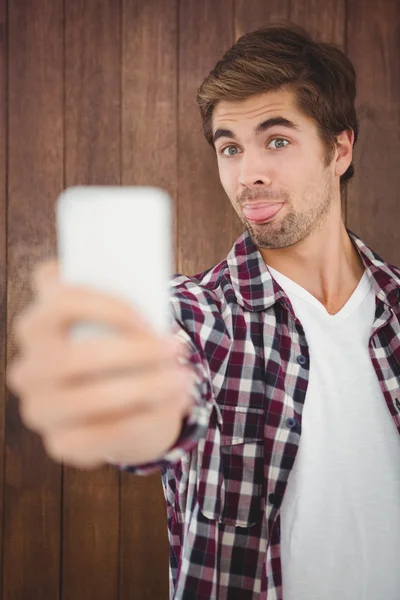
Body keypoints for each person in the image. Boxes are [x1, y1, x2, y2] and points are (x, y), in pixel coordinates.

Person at [7, 22, 400, 600]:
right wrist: (121, 409)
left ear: (339, 149)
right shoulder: (196, 313)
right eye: (230, 147)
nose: (249, 175)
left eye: (277, 140)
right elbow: (160, 406)